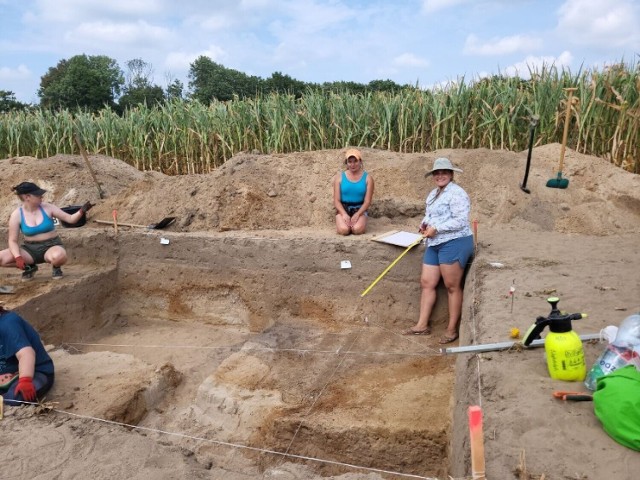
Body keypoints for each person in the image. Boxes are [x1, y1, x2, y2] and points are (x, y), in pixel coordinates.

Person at [403, 157, 474, 344]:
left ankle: (452, 329)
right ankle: (422, 324)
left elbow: (461, 220)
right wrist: (424, 225)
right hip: (434, 243)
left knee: (452, 285)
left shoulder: (458, 194)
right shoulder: (433, 194)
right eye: (437, 172)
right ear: (433, 175)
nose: (440, 175)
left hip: (454, 241)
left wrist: (438, 228)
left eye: (444, 172)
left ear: (451, 174)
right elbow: (428, 216)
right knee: (427, 282)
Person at [0, 182, 93, 281]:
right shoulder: (16, 215)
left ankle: (56, 267)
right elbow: (12, 241)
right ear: (28, 197)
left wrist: (82, 211)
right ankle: (30, 267)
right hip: (30, 249)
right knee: (1, 258)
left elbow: (70, 219)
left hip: (51, 245)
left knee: (59, 256)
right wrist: (18, 257)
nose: (41, 197)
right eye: (38, 195)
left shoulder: (48, 207)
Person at [0, 305, 55, 405]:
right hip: (7, 377)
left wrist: (25, 380)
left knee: (15, 397)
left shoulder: (8, 323)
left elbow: (26, 353)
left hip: (34, 373)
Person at [333, 148, 374, 235]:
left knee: (357, 230)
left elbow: (367, 201)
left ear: (360, 161)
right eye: (350, 162)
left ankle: (358, 222)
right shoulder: (339, 178)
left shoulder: (368, 178)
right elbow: (336, 201)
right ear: (346, 163)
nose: (352, 164)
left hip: (360, 209)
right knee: (344, 230)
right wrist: (344, 214)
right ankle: (343, 223)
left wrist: (358, 214)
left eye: (355, 161)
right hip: (343, 208)